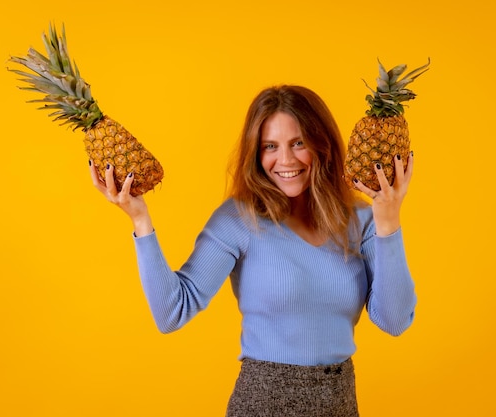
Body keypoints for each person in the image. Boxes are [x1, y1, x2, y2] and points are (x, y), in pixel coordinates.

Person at [89, 85, 417, 416]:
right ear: (256, 154)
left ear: (322, 144)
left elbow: (395, 320)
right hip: (263, 403)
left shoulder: (362, 220)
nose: (285, 160)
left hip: (340, 403)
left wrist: (388, 220)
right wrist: (140, 218)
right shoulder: (238, 219)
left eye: (298, 143)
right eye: (270, 146)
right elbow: (172, 311)